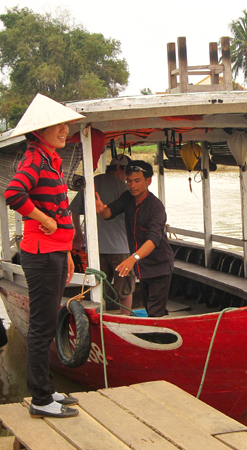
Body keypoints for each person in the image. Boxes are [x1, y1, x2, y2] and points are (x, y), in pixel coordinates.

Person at [4, 93, 84, 418]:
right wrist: (43, 219)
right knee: (41, 326)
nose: (64, 129)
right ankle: (40, 399)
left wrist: (66, 251)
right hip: (40, 254)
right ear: (39, 131)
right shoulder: (34, 158)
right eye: (57, 125)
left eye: (65, 123)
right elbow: (13, 193)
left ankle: (47, 390)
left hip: (54, 252)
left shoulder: (50, 159)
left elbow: (60, 207)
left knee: (46, 324)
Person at [95, 160, 174, 317]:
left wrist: (133, 258)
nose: (132, 185)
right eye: (129, 181)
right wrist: (101, 210)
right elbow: (110, 212)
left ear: (148, 181)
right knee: (150, 307)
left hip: (159, 266)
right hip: (142, 267)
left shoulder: (156, 207)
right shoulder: (128, 198)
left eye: (137, 181)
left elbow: (153, 239)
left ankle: (158, 336)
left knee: (155, 311)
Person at [70, 155, 136, 314]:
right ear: (121, 169)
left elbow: (73, 209)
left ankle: (101, 321)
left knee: (99, 289)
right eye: (128, 172)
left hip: (95, 248)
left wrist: (78, 233)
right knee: (125, 288)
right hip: (121, 248)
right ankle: (125, 320)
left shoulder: (93, 183)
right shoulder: (124, 187)